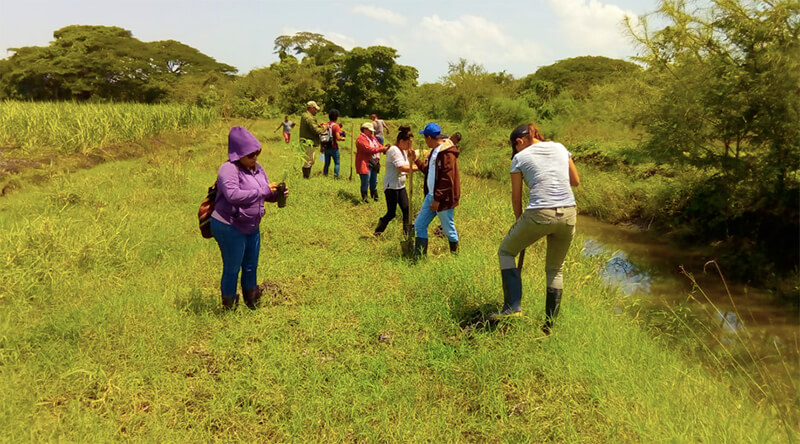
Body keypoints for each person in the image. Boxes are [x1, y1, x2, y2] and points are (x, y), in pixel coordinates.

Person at [490, 123, 581, 333]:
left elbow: (516, 197)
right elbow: (575, 181)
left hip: (539, 212)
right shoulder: (560, 147)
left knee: (506, 251)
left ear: (519, 142)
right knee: (556, 269)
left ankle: (512, 308)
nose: (516, 151)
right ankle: (548, 327)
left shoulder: (520, 158)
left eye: (516, 147)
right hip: (568, 212)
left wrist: (519, 221)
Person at [210, 126, 289, 310]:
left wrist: (276, 194)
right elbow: (233, 195)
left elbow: (265, 194)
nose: (255, 159)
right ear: (238, 154)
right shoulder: (228, 169)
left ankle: (252, 301)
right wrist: (264, 190)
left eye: (257, 154)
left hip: (251, 225)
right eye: (250, 155)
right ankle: (229, 306)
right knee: (233, 267)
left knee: (251, 264)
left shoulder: (257, 168)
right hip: (229, 225)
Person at [407, 122, 461, 256]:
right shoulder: (435, 152)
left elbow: (447, 180)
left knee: (448, 229)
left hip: (443, 199)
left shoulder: (446, 154)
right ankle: (419, 256)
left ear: (429, 138)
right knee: (419, 225)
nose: (425, 141)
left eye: (425, 138)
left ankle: (455, 256)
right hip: (431, 196)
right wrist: (416, 160)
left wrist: (437, 199)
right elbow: (429, 171)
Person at [374, 125, 416, 236]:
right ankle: (379, 230)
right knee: (391, 213)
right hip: (391, 186)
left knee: (406, 209)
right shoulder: (394, 150)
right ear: (401, 141)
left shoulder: (403, 152)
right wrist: (420, 167)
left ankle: (406, 234)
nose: (409, 146)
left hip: (400, 185)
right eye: (408, 143)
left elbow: (408, 165)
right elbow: (402, 168)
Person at [355, 122, 387, 203]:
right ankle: (364, 198)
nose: (372, 132)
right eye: (370, 130)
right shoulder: (360, 139)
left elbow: (379, 145)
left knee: (374, 180)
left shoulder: (372, 137)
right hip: (365, 162)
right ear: (364, 130)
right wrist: (381, 149)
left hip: (374, 162)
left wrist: (383, 147)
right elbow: (368, 149)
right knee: (366, 180)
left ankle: (374, 196)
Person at [298, 101, 328, 178]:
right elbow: (317, 131)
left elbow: (311, 127)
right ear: (311, 108)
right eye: (315, 109)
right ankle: (306, 177)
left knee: (309, 160)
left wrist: (318, 126)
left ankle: (306, 177)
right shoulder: (310, 118)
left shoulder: (304, 115)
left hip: (305, 141)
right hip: (309, 142)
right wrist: (324, 128)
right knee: (309, 161)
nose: (316, 111)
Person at [323, 109, 346, 178]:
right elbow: (338, 137)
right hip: (334, 147)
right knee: (337, 163)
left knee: (327, 163)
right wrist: (343, 138)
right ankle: (336, 176)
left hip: (326, 146)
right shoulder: (336, 126)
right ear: (336, 117)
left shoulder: (326, 125)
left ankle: (325, 174)